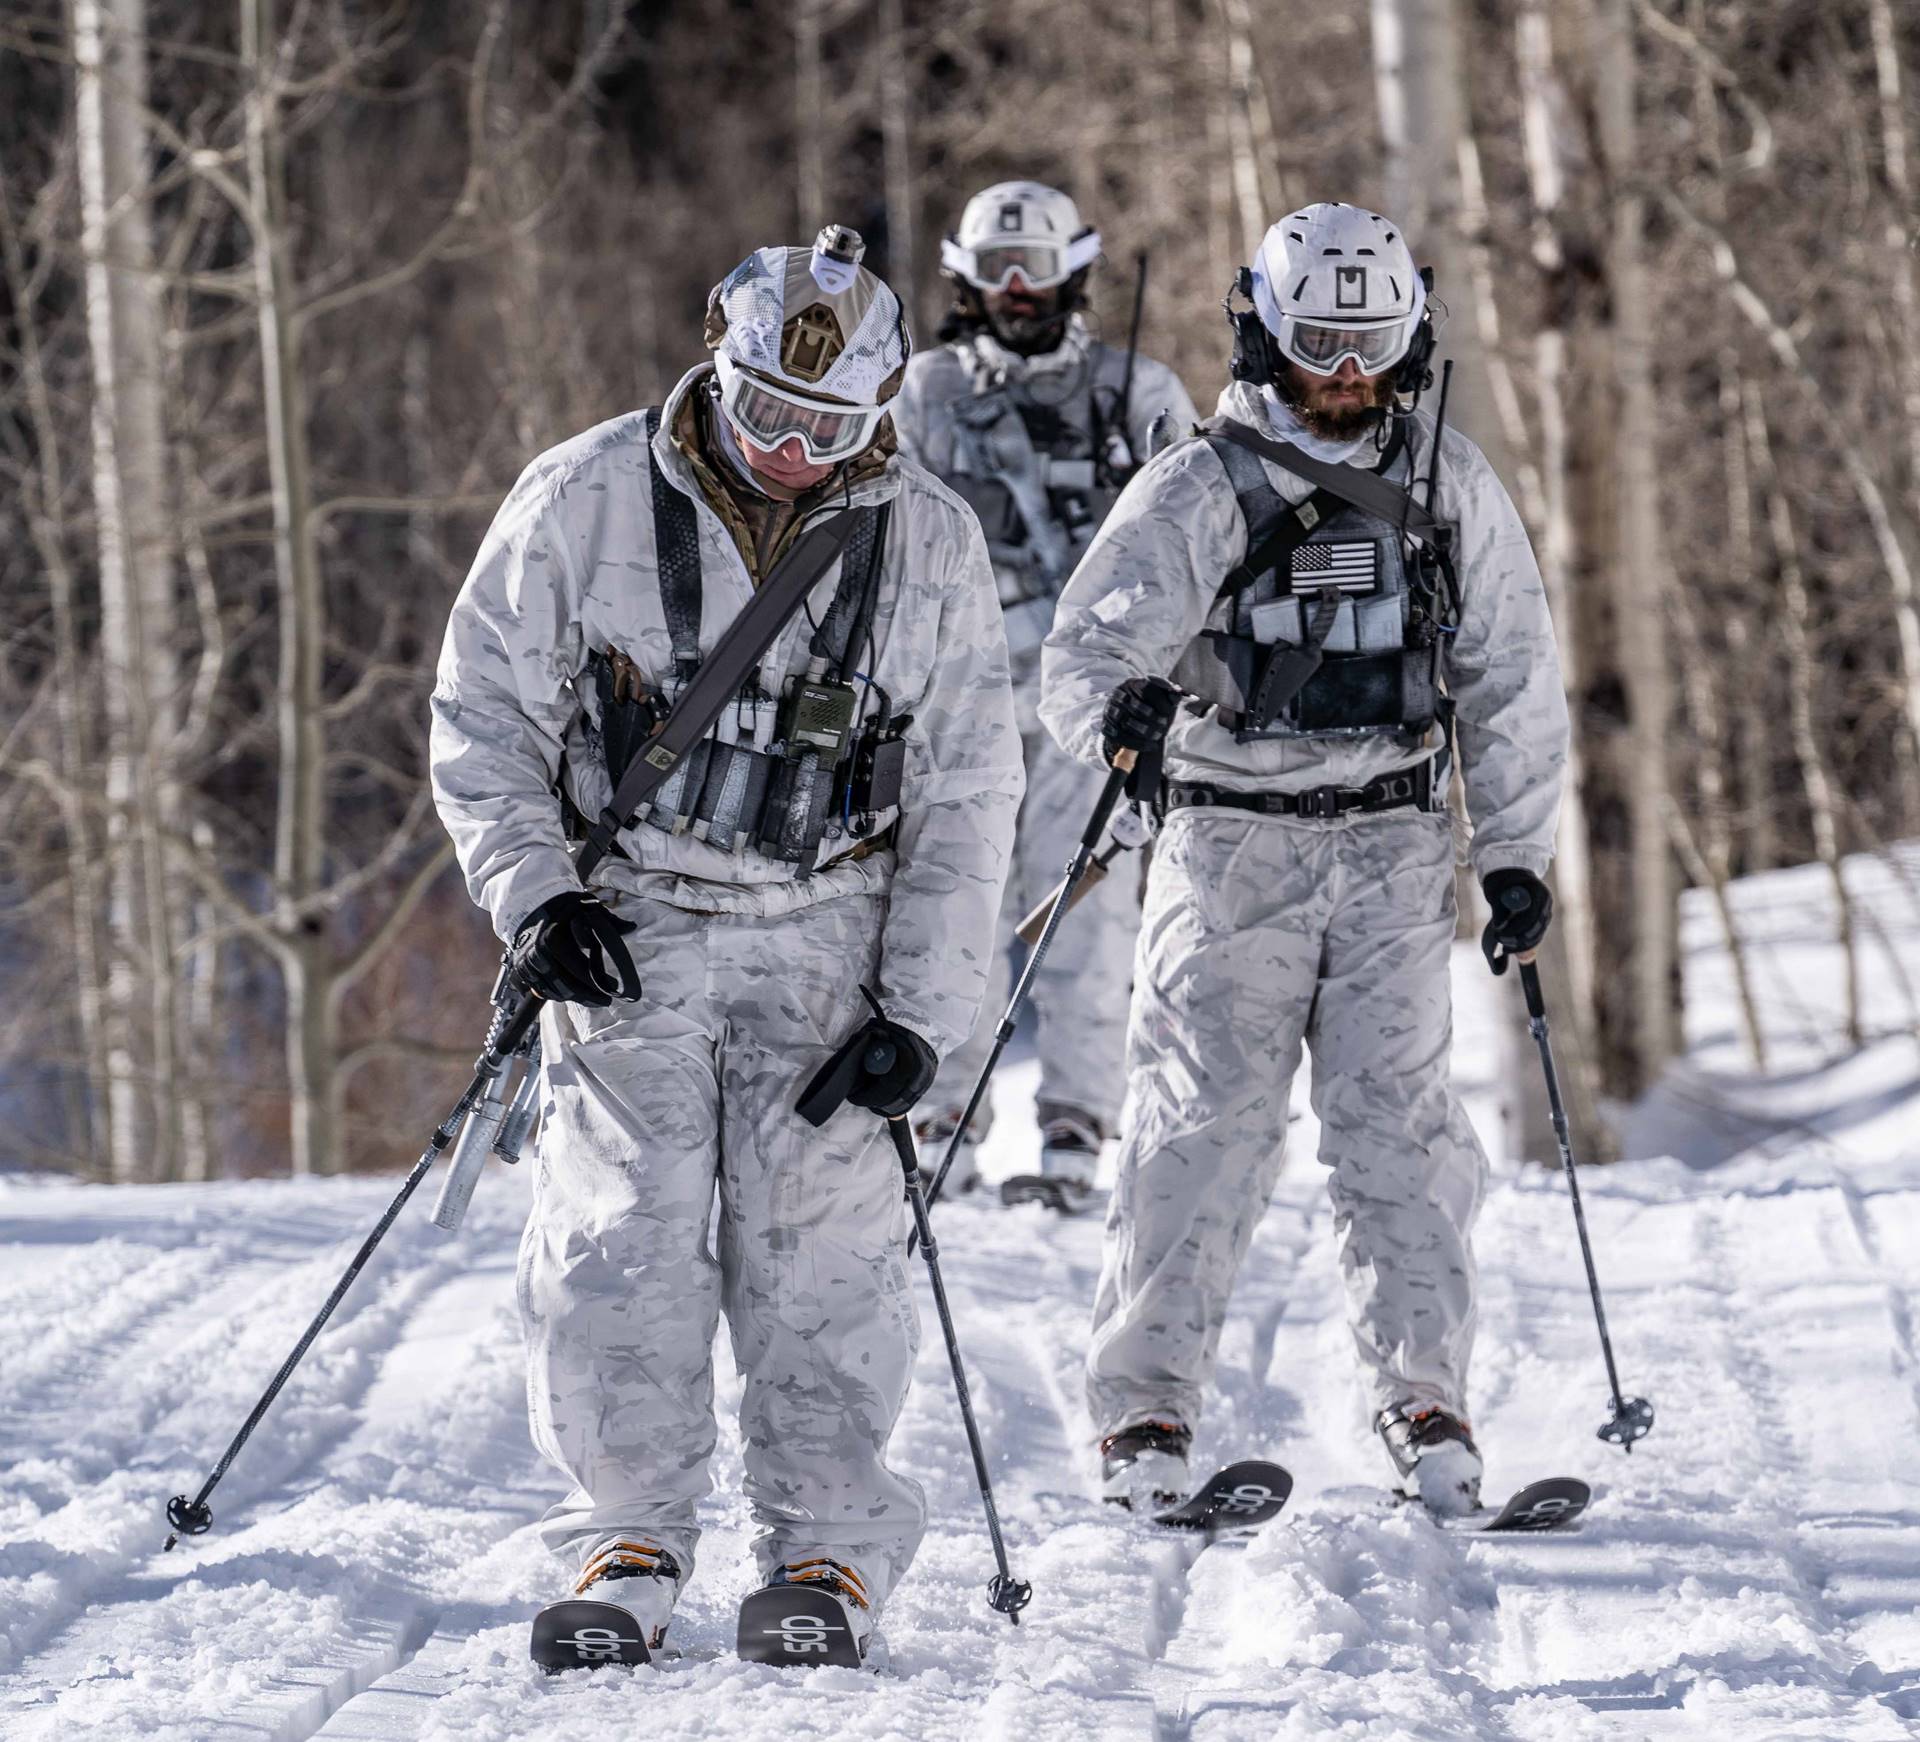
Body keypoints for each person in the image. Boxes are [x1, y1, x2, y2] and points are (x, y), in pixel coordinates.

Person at [429, 226, 1021, 1660]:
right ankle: (630, 1532)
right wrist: (538, 899)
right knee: (619, 1241)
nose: (790, 449)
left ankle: (825, 1548)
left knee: (820, 1258)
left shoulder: (928, 538)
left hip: (832, 934)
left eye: (830, 426)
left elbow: (968, 787)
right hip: (634, 922)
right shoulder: (580, 498)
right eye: (768, 410)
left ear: (880, 413)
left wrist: (926, 1013)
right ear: (717, 358)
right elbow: (484, 717)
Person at [1039, 202, 1569, 1515]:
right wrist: (1122, 715)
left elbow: (1512, 676)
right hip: (1229, 846)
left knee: (1401, 1136)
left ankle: (1423, 1393)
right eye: (1320, 338)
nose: (1345, 370)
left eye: (1370, 340)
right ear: (1266, 331)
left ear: (1410, 336)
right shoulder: (1196, 484)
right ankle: (1145, 1412)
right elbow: (1079, 656)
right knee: (1198, 1132)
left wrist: (1514, 854)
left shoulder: (1451, 480)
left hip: (1394, 838)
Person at [891, 180, 1197, 1209]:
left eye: (1035, 272)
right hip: (956, 707)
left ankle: (1074, 1128)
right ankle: (941, 1120)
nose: (1018, 293)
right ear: (965, 281)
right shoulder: (923, 396)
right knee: (953, 904)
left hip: (1096, 710)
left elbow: (1200, 546)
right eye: (995, 274)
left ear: (1075, 274)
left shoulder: (1139, 393)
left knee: (1091, 917)